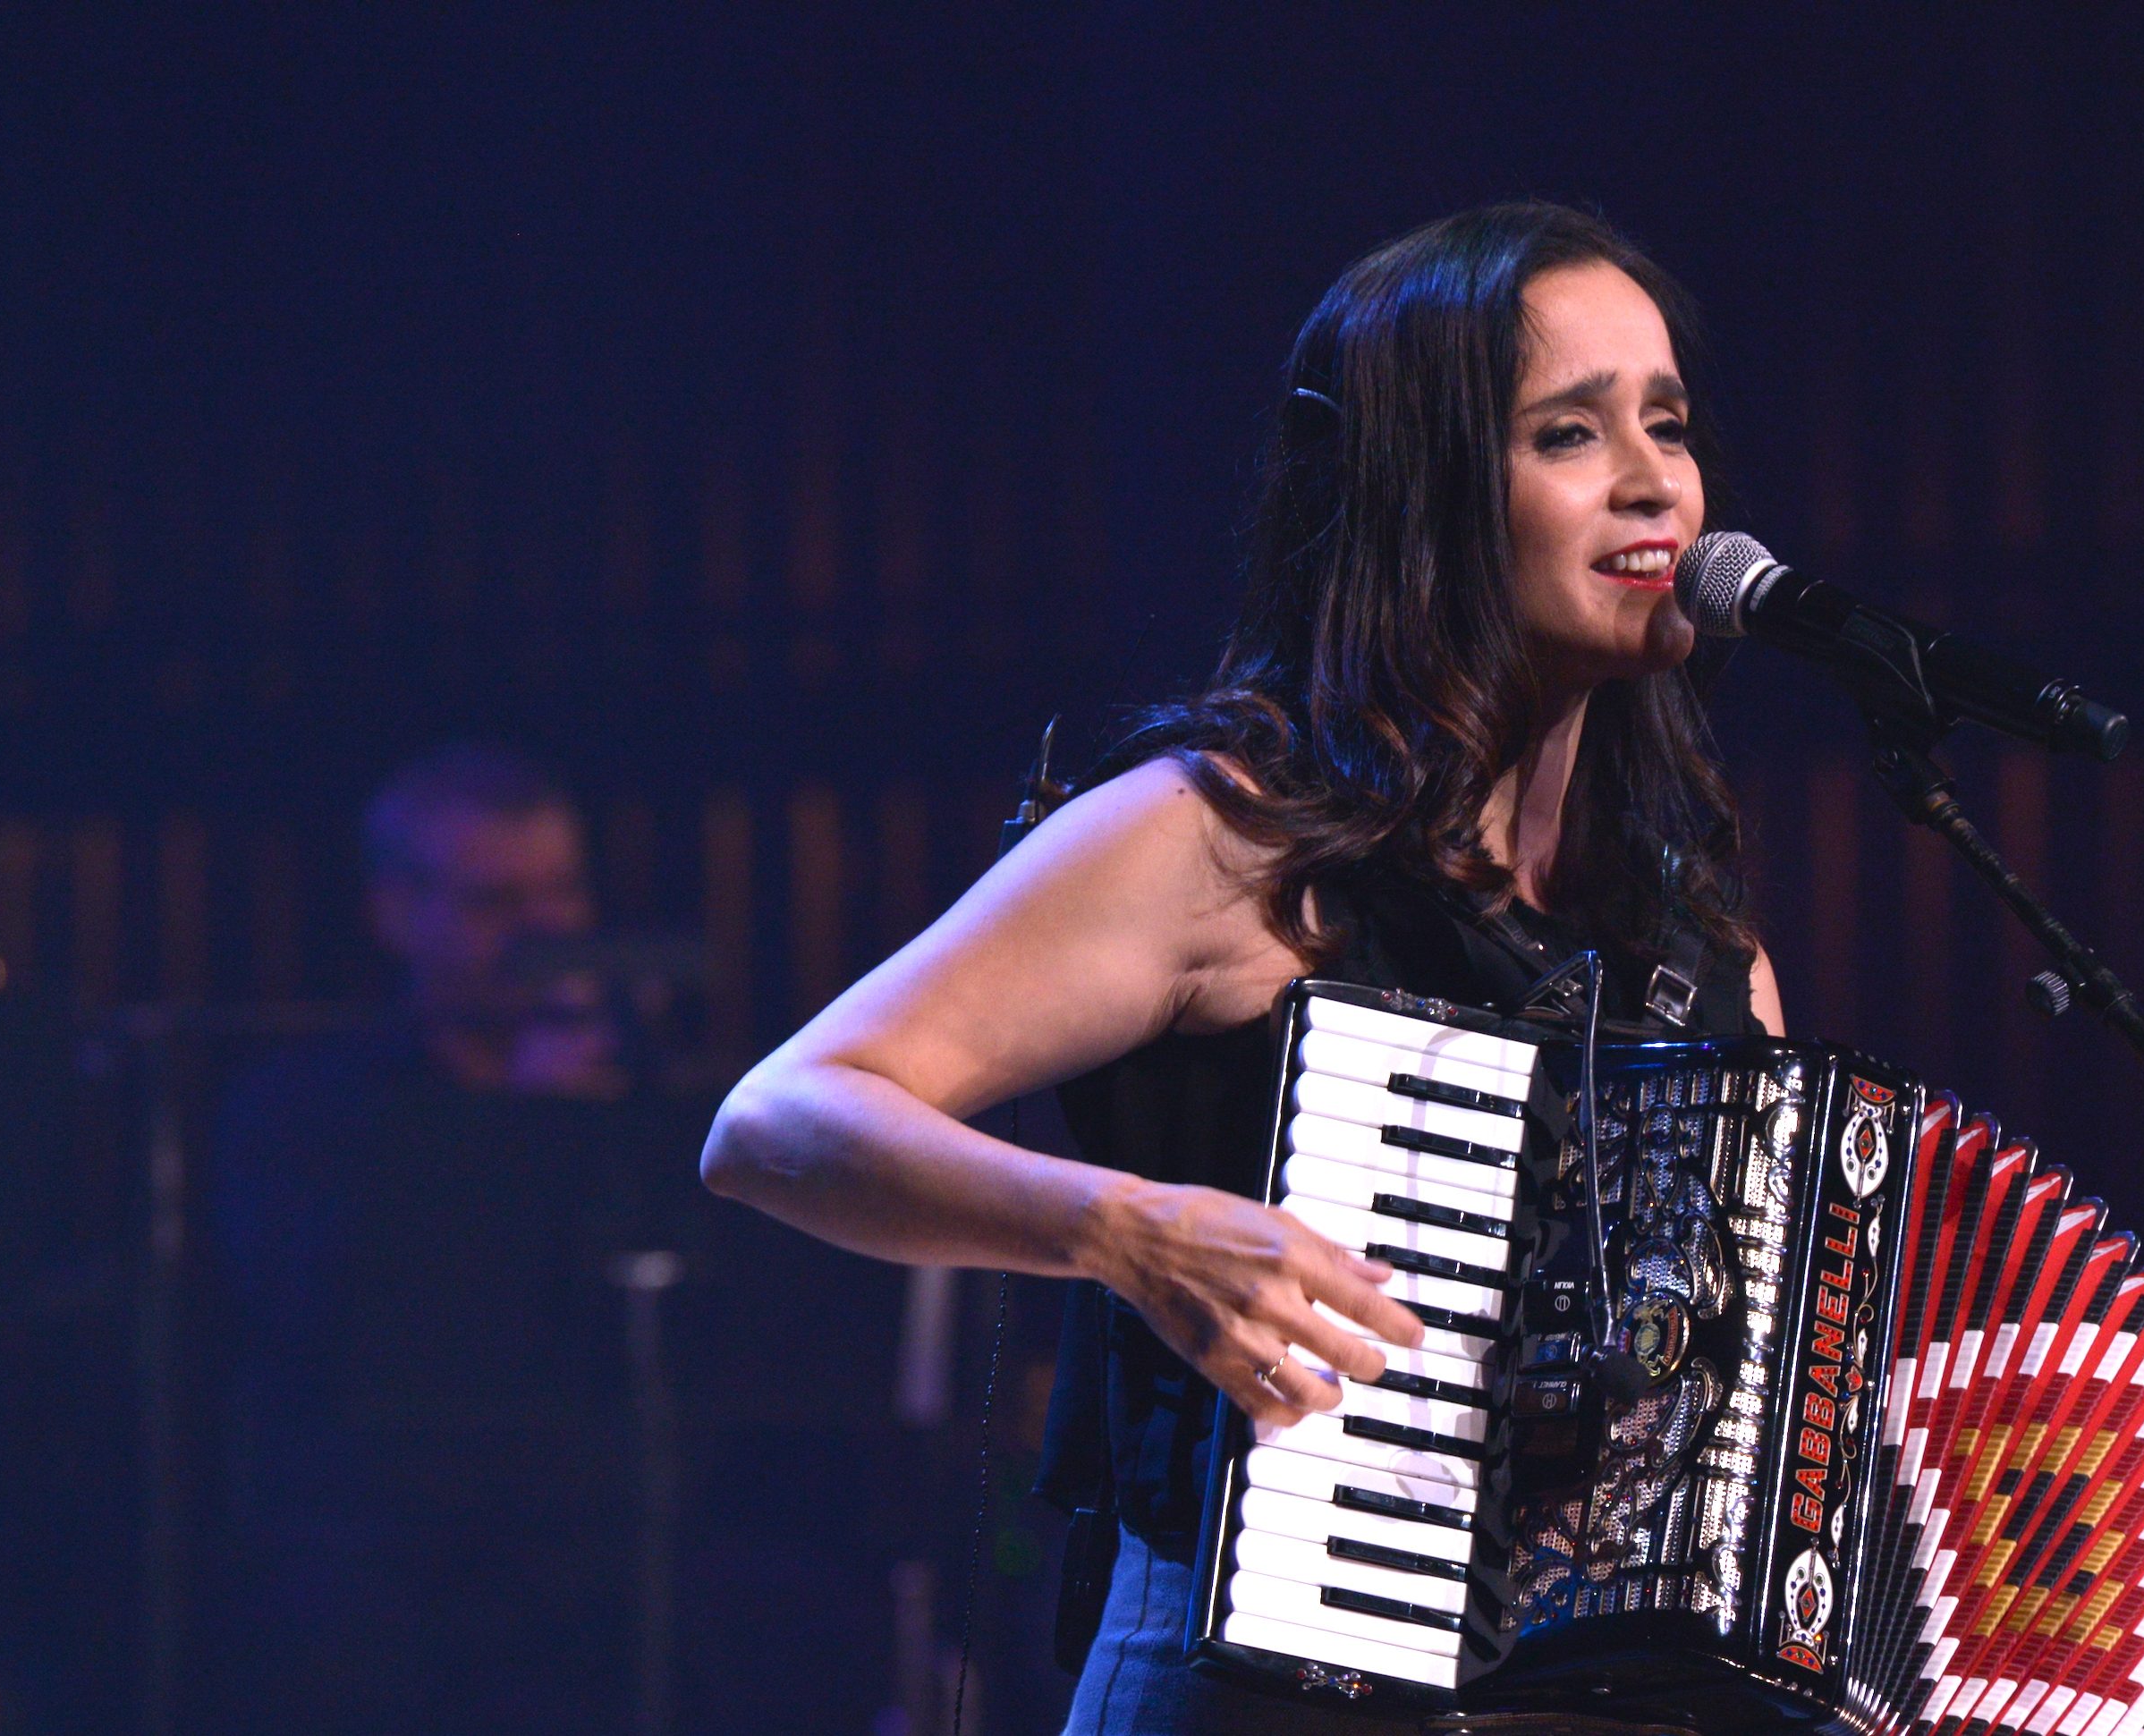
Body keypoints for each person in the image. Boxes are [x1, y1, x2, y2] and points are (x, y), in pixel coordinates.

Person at [701, 202, 1784, 1735]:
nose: (1652, 480)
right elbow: (778, 1120)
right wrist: (1121, 1228)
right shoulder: (1227, 836)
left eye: (1664, 425)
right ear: (1420, 494)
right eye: (1566, 433)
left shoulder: (1689, 940)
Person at [201, 745, 686, 1733]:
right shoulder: (306, 1107)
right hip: (381, 1556)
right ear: (396, 915)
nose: (547, 931)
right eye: (496, 902)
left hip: (593, 1551)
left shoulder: (638, 1102)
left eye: (563, 891)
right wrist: (513, 1133)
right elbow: (334, 1329)